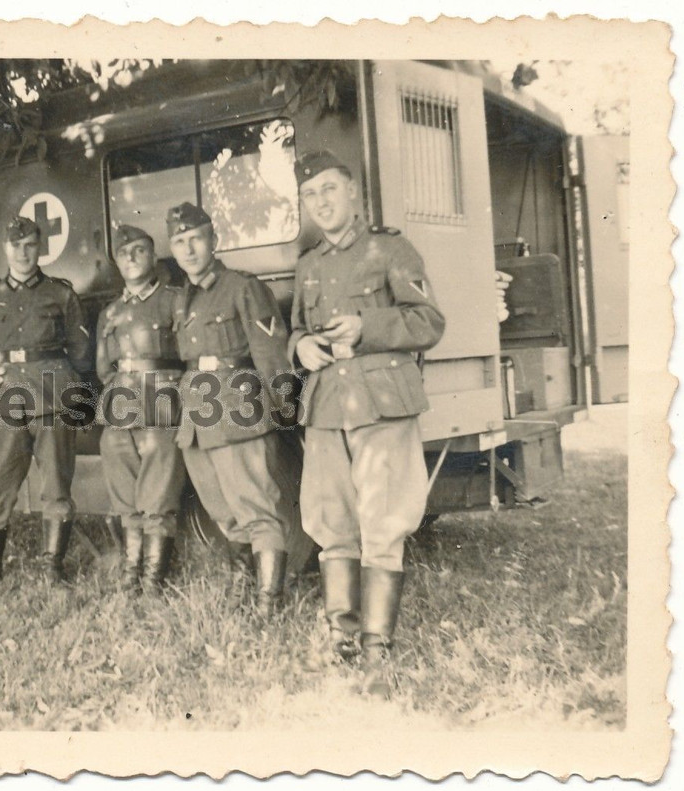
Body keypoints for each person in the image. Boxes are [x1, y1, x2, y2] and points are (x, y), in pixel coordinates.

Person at [287, 150, 446, 698]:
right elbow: (295, 331)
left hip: (382, 402)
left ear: (352, 192)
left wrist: (367, 325)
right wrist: (301, 345)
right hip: (328, 405)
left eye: (330, 189)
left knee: (383, 522)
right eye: (311, 195)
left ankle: (377, 649)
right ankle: (341, 639)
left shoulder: (389, 248)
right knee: (332, 525)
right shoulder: (306, 264)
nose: (322, 202)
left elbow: (429, 322)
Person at [166, 202, 295, 616]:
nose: (188, 250)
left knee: (255, 506)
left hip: (236, 405)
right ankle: (246, 581)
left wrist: (283, 407)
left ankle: (269, 602)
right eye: (179, 242)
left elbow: (270, 352)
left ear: (214, 241)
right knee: (221, 507)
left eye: (196, 239)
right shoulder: (182, 298)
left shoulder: (242, 286)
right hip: (197, 414)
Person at [0, 216, 93, 587]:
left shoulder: (60, 294)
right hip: (8, 396)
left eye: (30, 246)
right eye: (16, 246)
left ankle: (52, 567)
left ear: (40, 248)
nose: (23, 253)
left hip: (53, 394)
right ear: (5, 249)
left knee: (56, 485)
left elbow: (82, 352)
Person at [95, 224, 186, 593]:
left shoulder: (174, 300)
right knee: (124, 492)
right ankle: (132, 570)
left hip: (162, 402)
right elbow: (103, 367)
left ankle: (153, 577)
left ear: (152, 254)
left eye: (138, 250)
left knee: (159, 494)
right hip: (121, 405)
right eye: (123, 253)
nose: (131, 257)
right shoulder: (111, 312)